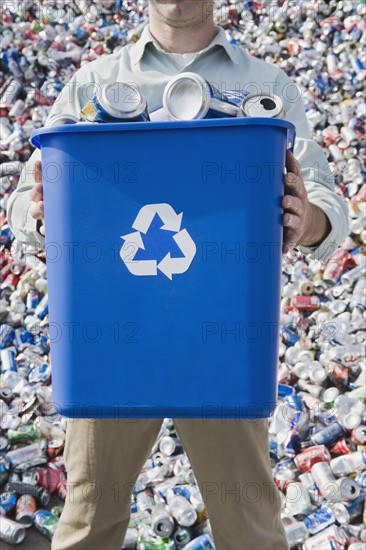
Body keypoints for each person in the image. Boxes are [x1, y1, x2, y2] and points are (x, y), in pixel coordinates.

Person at [7, 1, 349, 549]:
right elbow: (28, 201)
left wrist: (306, 218)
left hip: (225, 339)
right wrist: (43, 211)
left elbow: (326, 200)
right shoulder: (96, 81)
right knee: (90, 513)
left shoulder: (265, 84)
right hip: (109, 339)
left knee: (248, 518)